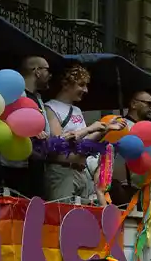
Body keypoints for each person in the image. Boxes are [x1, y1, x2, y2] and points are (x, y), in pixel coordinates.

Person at [44, 64, 115, 203]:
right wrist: (89, 129)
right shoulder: (50, 107)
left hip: (82, 172)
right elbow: (59, 143)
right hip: (62, 172)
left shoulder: (77, 110)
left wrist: (105, 129)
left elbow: (85, 142)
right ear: (66, 84)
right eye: (81, 85)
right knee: (61, 216)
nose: (85, 90)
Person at [0, 55, 52, 197]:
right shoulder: (14, 94)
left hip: (36, 165)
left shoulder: (38, 98)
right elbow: (4, 122)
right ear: (37, 71)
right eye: (47, 70)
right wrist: (30, 131)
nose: (50, 75)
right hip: (15, 166)